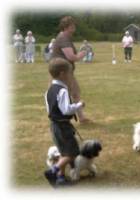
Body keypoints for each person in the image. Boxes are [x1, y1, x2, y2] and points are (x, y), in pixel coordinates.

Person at [44, 58, 85, 187]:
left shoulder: (49, 90)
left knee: (63, 152)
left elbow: (49, 108)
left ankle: (61, 178)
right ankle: (53, 170)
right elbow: (66, 110)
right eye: (69, 73)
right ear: (62, 74)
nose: (70, 76)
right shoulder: (62, 90)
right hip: (63, 126)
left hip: (55, 125)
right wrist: (78, 105)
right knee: (72, 153)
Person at [52, 16, 90, 123]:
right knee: (68, 94)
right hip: (62, 73)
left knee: (74, 93)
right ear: (66, 27)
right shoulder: (63, 38)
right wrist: (82, 54)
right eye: (72, 26)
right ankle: (63, 118)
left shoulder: (64, 37)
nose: (74, 28)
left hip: (64, 71)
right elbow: (71, 57)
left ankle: (81, 117)